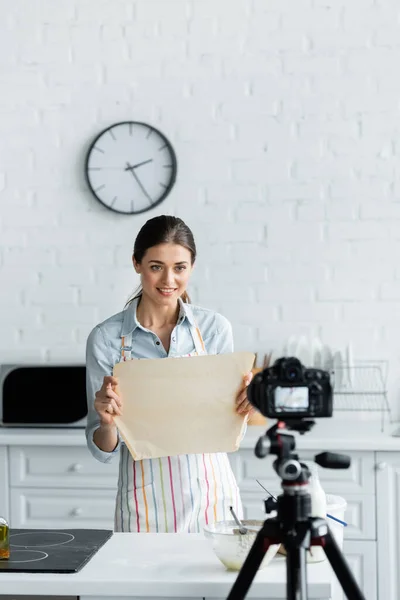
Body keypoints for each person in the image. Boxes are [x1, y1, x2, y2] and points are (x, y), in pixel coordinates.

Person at [86, 215, 254, 533]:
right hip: (144, 507)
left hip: (213, 499)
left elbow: (229, 424)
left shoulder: (214, 329)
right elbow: (103, 450)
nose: (169, 279)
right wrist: (107, 422)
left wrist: (247, 402)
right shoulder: (107, 338)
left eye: (180, 267)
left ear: (191, 267)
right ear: (137, 264)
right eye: (155, 266)